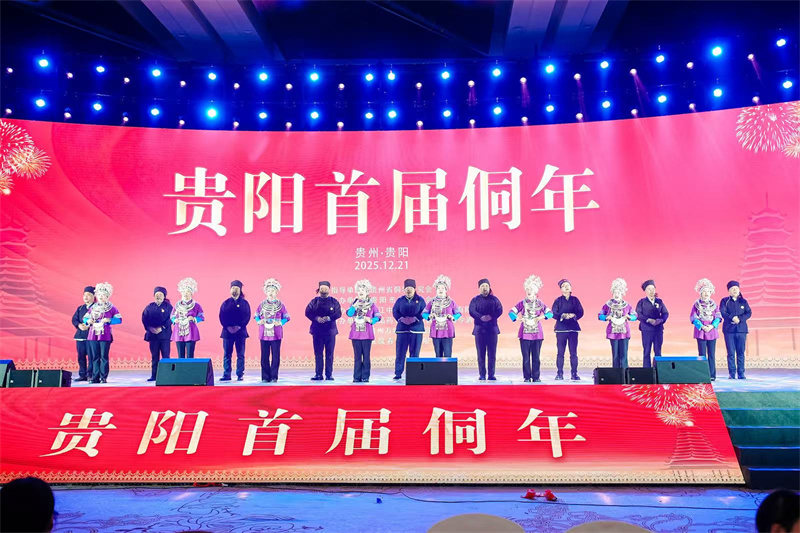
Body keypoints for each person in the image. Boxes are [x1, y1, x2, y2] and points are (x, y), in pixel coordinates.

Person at [509, 274, 552, 382]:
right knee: (526, 357)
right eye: (527, 289)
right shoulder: (521, 303)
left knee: (536, 357)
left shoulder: (540, 303)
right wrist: (519, 318)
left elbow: (550, 313)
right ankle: (527, 377)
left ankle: (536, 377)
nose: (529, 291)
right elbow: (511, 312)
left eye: (531, 289)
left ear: (535, 292)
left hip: (537, 334)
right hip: (524, 334)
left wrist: (541, 317)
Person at [83, 282, 121, 384]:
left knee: (104, 356)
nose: (101, 296)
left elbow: (119, 319)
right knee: (94, 357)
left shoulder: (111, 307)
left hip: (105, 335)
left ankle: (103, 377)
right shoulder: (93, 307)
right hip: (93, 334)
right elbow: (85, 318)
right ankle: (95, 377)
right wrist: (88, 321)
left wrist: (109, 320)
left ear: (107, 296)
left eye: (103, 295)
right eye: (99, 294)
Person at [255, 278, 290, 383]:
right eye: (269, 290)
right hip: (264, 333)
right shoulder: (261, 305)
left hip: (276, 333)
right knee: (264, 356)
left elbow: (287, 317)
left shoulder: (281, 305)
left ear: (277, 292)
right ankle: (265, 377)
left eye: (273, 290)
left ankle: (274, 376)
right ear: (266, 292)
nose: (271, 293)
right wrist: (259, 321)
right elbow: (256, 315)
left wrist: (281, 322)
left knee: (275, 355)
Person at [305, 281, 342, 381]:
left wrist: (328, 318)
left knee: (329, 354)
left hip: (330, 331)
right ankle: (318, 374)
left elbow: (338, 313)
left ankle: (329, 375)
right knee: (318, 354)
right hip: (317, 331)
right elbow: (307, 312)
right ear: (319, 289)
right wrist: (316, 318)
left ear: (329, 289)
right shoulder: (314, 301)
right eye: (322, 288)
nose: (324, 290)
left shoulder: (334, 301)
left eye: (326, 288)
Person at [346, 279, 381, 382]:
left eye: (363, 290)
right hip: (355, 334)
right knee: (357, 357)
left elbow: (378, 316)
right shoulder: (354, 303)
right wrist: (354, 306)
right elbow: (349, 314)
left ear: (367, 292)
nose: (360, 292)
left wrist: (370, 320)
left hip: (367, 334)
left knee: (366, 356)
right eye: (359, 290)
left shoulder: (372, 305)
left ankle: (365, 376)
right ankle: (356, 377)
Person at [468, 278, 503, 381]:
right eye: (482, 286)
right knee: (480, 353)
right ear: (479, 288)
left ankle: (491, 374)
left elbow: (500, 310)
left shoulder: (495, 299)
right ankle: (482, 374)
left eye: (486, 286)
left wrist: (491, 316)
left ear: (489, 287)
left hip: (492, 330)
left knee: (492, 354)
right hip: (479, 330)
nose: (485, 288)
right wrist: (480, 317)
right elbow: (471, 311)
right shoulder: (475, 300)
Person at [598, 278, 637, 369]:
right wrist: (606, 317)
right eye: (615, 292)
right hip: (613, 332)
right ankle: (616, 374)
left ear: (622, 293)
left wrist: (629, 317)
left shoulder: (627, 305)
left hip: (624, 332)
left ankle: (624, 373)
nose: (616, 294)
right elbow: (600, 315)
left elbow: (635, 315)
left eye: (618, 292)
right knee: (615, 355)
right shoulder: (608, 305)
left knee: (624, 355)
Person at [392, 279, 426, 380]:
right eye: (407, 288)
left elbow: (424, 312)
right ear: (404, 289)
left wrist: (415, 319)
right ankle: (398, 373)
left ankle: (414, 374)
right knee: (400, 352)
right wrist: (401, 319)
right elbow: (395, 311)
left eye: (411, 288)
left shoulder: (420, 300)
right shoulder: (400, 300)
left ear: (415, 289)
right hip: (402, 329)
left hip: (416, 329)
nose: (409, 290)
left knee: (415, 352)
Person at [551, 279, 584, 380]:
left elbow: (580, 312)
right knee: (560, 353)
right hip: (561, 329)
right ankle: (559, 373)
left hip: (573, 329)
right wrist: (562, 315)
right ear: (561, 289)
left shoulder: (575, 300)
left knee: (573, 353)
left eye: (568, 285)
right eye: (564, 286)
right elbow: (554, 313)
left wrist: (573, 315)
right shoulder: (558, 300)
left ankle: (574, 374)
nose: (566, 287)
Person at [691, 278, 722, 381]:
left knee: (712, 354)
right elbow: (693, 317)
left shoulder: (714, 305)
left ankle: (712, 375)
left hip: (712, 331)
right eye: (704, 291)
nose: (706, 293)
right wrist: (702, 326)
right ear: (700, 293)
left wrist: (712, 326)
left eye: (708, 291)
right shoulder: (696, 305)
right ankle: (702, 375)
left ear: (711, 293)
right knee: (702, 354)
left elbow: (718, 317)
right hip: (701, 331)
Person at [720, 280, 752, 380]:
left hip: (741, 330)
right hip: (729, 331)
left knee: (741, 352)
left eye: (736, 288)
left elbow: (749, 312)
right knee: (730, 353)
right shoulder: (725, 301)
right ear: (729, 291)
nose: (735, 290)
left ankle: (741, 373)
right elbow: (723, 312)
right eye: (732, 289)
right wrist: (732, 318)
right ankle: (732, 373)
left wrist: (740, 319)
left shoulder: (743, 301)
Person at [422, 275, 461, 358]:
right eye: (438, 288)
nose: (440, 290)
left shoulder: (451, 302)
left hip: (448, 330)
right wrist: (429, 316)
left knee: (447, 354)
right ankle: (438, 366)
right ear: (436, 290)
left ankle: (447, 367)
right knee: (438, 354)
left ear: (446, 289)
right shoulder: (432, 302)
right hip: (436, 330)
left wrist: (453, 317)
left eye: (442, 288)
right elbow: (424, 313)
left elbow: (458, 313)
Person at [219, 280, 251, 382]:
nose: (234, 290)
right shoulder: (225, 303)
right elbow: (222, 316)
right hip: (227, 333)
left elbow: (247, 317)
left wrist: (239, 327)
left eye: (236, 288)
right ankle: (226, 374)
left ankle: (240, 374)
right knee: (227, 354)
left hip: (240, 333)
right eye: (232, 288)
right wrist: (228, 327)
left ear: (240, 290)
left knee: (240, 355)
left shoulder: (245, 303)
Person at [635, 279, 669, 368]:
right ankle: (647, 371)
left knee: (658, 351)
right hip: (646, 330)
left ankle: (659, 370)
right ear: (645, 291)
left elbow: (665, 313)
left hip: (658, 329)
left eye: (653, 289)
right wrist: (648, 320)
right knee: (646, 351)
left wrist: (660, 320)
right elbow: (638, 314)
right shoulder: (641, 302)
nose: (651, 291)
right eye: (649, 289)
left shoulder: (659, 301)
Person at [142, 286, 172, 382]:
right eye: (157, 294)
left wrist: (162, 328)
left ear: (164, 296)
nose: (158, 296)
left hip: (164, 336)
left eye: (160, 294)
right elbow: (144, 318)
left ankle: (167, 376)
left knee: (165, 356)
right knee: (154, 356)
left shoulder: (168, 307)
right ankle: (154, 375)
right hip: (153, 336)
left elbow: (171, 318)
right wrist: (149, 328)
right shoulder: (149, 307)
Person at [171, 277, 204, 358]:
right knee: (180, 355)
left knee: (190, 354)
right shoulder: (177, 305)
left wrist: (194, 319)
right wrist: (175, 320)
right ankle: (181, 366)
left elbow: (201, 316)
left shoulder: (196, 305)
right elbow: (172, 316)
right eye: (184, 292)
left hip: (191, 331)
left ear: (191, 293)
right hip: (179, 330)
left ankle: (190, 366)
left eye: (188, 292)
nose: (186, 294)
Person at [70, 286, 94, 382]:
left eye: (88, 295)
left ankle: (91, 375)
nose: (86, 297)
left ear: (93, 296)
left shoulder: (96, 308)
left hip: (91, 336)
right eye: (84, 295)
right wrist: (79, 325)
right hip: (80, 336)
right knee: (81, 356)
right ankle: (82, 375)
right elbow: (74, 319)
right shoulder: (80, 308)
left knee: (92, 356)